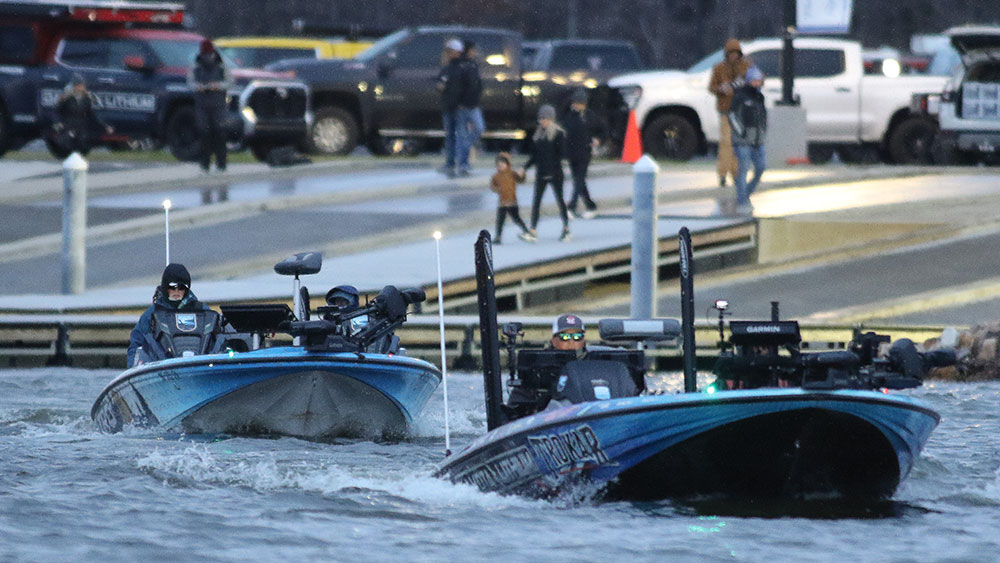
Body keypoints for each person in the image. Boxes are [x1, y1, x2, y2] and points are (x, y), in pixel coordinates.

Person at [127, 263, 212, 367]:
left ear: (187, 289)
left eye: (181, 287)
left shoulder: (202, 311)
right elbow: (136, 344)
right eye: (172, 287)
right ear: (165, 287)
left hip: (198, 365)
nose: (176, 291)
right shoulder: (152, 314)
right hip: (160, 368)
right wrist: (133, 368)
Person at [523, 104, 571, 242]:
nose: (542, 121)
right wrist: (524, 168)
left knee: (560, 200)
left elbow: (561, 154)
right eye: (541, 119)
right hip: (541, 173)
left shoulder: (558, 134)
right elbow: (535, 156)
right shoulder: (538, 135)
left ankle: (566, 228)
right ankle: (533, 230)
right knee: (536, 201)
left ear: (551, 119)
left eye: (545, 118)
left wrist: (553, 167)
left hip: (555, 173)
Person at [708, 38, 749, 188]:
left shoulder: (746, 66)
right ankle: (723, 173)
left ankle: (736, 173)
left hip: (741, 111)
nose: (733, 56)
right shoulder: (719, 68)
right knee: (726, 142)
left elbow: (753, 83)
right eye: (730, 53)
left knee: (738, 143)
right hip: (726, 110)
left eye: (736, 53)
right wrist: (721, 89)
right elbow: (712, 87)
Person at [188, 39, 233, 173]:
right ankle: (204, 164)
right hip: (202, 105)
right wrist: (198, 87)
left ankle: (221, 164)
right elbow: (190, 83)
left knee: (219, 133)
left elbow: (230, 82)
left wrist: (217, 86)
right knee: (204, 133)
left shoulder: (221, 66)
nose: (207, 57)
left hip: (218, 104)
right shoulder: (195, 66)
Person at [562, 88, 607, 219]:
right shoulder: (568, 116)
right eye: (574, 102)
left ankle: (571, 207)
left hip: (584, 153)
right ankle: (591, 206)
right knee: (579, 181)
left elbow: (603, 130)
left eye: (579, 103)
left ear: (584, 104)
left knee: (579, 180)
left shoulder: (590, 116)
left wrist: (598, 140)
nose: (576, 105)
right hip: (571, 154)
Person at [729, 66, 767, 215]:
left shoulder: (760, 97)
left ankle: (745, 193)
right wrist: (742, 133)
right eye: (755, 80)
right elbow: (732, 117)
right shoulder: (740, 96)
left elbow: (763, 118)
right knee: (743, 169)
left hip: (758, 140)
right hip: (743, 141)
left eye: (759, 80)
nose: (758, 83)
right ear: (749, 81)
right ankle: (743, 201)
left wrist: (763, 132)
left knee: (761, 168)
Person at [52, 74, 113, 155]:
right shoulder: (66, 98)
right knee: (67, 142)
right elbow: (56, 112)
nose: (81, 88)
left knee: (83, 143)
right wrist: (58, 123)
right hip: (68, 126)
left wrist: (105, 126)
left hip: (81, 128)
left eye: (82, 86)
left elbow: (92, 114)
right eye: (78, 86)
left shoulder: (86, 99)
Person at [489, 152, 535, 244]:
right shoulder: (496, 176)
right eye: (499, 165)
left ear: (507, 165)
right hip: (502, 203)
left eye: (502, 165)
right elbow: (492, 186)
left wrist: (523, 174)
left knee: (516, 218)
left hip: (512, 202)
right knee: (500, 220)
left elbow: (520, 180)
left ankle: (526, 231)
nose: (500, 167)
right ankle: (498, 237)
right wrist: (497, 189)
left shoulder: (512, 173)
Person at [436, 38, 466, 178]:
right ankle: (451, 162)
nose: (449, 54)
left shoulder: (460, 68)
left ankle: (460, 162)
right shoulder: (447, 69)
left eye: (451, 51)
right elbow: (440, 85)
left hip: (458, 107)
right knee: (451, 136)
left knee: (459, 136)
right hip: (449, 107)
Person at [457, 39, 485, 174]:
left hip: (473, 104)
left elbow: (476, 84)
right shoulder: (460, 65)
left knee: (479, 128)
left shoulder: (473, 65)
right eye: (473, 49)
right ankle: (463, 163)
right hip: (462, 106)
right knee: (462, 134)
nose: (476, 52)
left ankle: (464, 152)